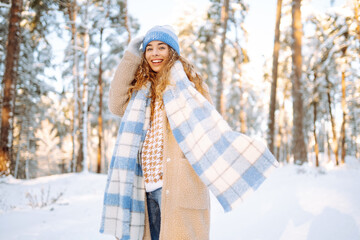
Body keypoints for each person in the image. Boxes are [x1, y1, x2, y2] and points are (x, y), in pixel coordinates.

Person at [100, 25, 278, 240]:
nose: (155, 53)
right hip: (143, 187)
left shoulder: (189, 82)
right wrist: (130, 56)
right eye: (149, 49)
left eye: (161, 47)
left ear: (172, 52)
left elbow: (207, 124)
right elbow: (115, 105)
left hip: (177, 184)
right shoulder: (140, 90)